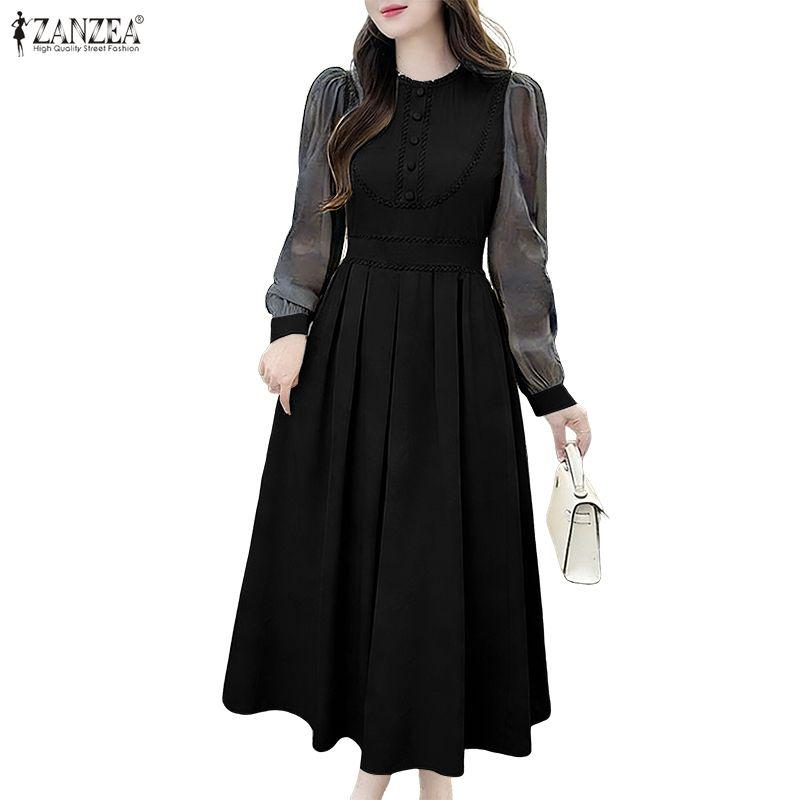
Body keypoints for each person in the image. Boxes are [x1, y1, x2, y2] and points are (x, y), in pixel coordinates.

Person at [223, 2, 592, 798]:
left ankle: (416, 784)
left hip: (459, 365)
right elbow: (310, 226)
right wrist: (290, 326)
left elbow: (519, 255)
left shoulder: (510, 101)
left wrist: (549, 388)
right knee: (364, 571)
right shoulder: (339, 95)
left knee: (434, 570)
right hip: (349, 359)